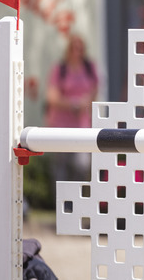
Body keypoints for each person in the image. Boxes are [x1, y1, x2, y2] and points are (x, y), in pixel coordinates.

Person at [44, 36, 99, 184]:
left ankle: (77, 197)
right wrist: (73, 105)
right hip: (61, 126)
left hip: (82, 126)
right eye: (74, 48)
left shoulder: (89, 68)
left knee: (82, 166)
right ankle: (60, 198)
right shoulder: (60, 69)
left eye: (80, 48)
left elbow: (94, 92)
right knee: (60, 169)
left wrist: (84, 104)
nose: (77, 51)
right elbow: (52, 97)